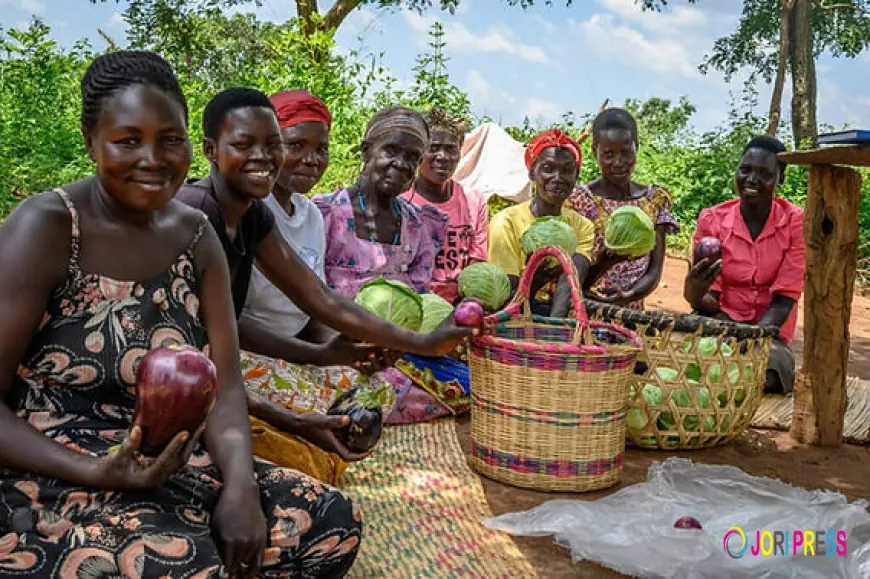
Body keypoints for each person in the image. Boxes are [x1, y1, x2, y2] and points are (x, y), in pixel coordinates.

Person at [0, 50, 358, 577]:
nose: (153, 158)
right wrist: (99, 471)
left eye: (171, 139)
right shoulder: (48, 226)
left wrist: (239, 487)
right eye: (127, 140)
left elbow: (227, 387)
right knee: (184, 563)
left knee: (329, 521)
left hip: (170, 460)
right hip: (48, 470)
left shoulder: (196, 234)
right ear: (90, 142)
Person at [175, 90, 471, 463]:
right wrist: (318, 357)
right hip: (196, 368)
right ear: (210, 150)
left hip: (236, 360)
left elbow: (318, 298)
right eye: (245, 144)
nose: (264, 157)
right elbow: (221, 328)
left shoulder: (254, 215)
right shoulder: (198, 210)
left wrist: (405, 343)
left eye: (272, 145)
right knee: (324, 429)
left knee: (360, 401)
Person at [236, 90, 398, 480]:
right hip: (246, 354)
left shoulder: (310, 214)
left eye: (321, 149)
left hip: (297, 351)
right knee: (316, 405)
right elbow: (230, 319)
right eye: (296, 145)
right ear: (270, 147)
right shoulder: (247, 210)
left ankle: (298, 448)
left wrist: (343, 350)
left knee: (379, 391)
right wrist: (316, 358)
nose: (312, 159)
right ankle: (289, 453)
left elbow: (316, 303)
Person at [684, 135, 804, 395]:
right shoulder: (712, 220)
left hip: (769, 331)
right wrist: (693, 291)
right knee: (689, 354)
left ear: (780, 179)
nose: (752, 179)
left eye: (765, 173)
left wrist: (746, 344)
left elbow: (785, 299)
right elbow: (708, 301)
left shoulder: (795, 222)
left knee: (772, 366)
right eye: (745, 170)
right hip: (721, 320)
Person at [314, 106, 448, 297]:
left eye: (412, 157)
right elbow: (307, 293)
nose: (401, 163)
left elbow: (420, 297)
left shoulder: (419, 226)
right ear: (367, 151)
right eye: (391, 151)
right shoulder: (325, 215)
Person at [488, 129, 618, 317]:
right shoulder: (505, 223)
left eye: (567, 170)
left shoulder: (582, 226)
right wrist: (537, 278)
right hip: (511, 315)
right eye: (548, 169)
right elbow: (506, 300)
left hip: (558, 314)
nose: (558, 179)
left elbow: (570, 282)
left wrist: (554, 330)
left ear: (576, 175)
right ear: (532, 172)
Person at [568, 107, 679, 310]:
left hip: (633, 315)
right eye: (608, 154)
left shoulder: (654, 200)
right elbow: (570, 277)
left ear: (637, 148)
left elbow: (654, 271)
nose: (618, 162)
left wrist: (628, 296)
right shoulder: (578, 201)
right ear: (595, 152)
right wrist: (603, 263)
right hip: (585, 311)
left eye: (626, 152)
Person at [400, 108, 488, 304]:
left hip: (460, 306)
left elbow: (477, 267)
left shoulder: (474, 202)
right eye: (434, 147)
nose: (442, 156)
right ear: (419, 150)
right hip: (413, 301)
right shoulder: (401, 202)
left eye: (451, 148)